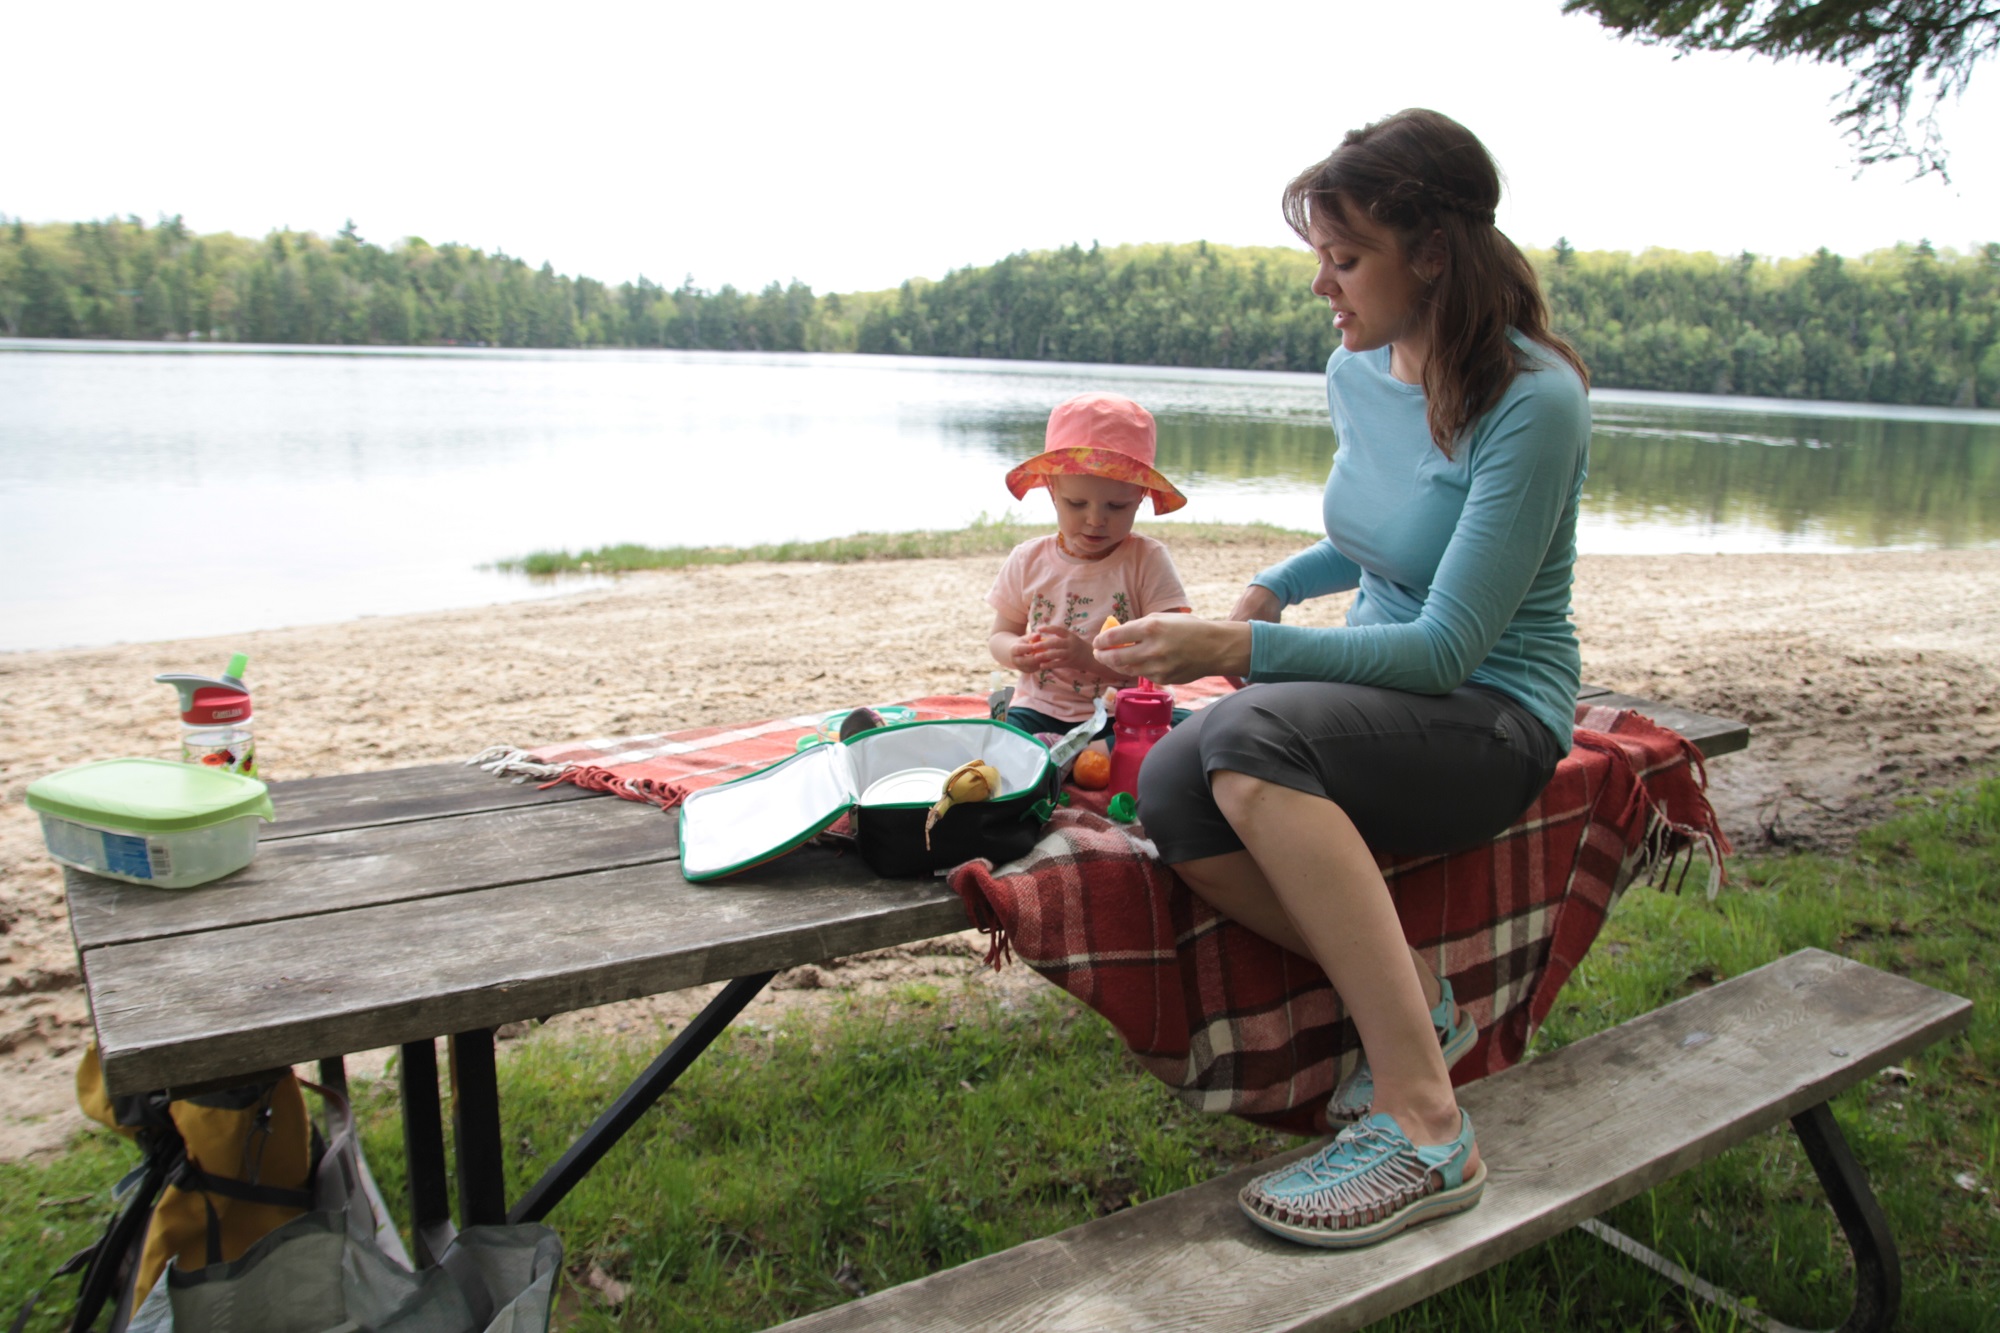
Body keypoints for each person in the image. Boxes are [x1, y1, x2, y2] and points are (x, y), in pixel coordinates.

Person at [1094, 108, 1591, 1249]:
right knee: (1174, 784)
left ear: (1431, 252)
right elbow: (1384, 535)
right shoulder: (1357, 367)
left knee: (1243, 743)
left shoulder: (1533, 399)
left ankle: (1426, 1126)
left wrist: (1234, 649)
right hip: (1377, 703)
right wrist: (1273, 582)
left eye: (1346, 256)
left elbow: (1445, 646)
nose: (1324, 284)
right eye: (1319, 256)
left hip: (1488, 713)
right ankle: (1418, 997)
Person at [988, 392, 1193, 741]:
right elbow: (1000, 635)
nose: (1096, 520)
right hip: (1039, 709)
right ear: (1053, 490)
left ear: (1141, 496)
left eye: (1116, 506)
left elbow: (1169, 648)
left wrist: (1087, 656)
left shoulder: (1147, 560)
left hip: (1122, 710)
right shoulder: (1028, 559)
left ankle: (1075, 756)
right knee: (1002, 735)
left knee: (1183, 730)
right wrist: (1015, 652)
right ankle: (1064, 755)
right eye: (1077, 503)